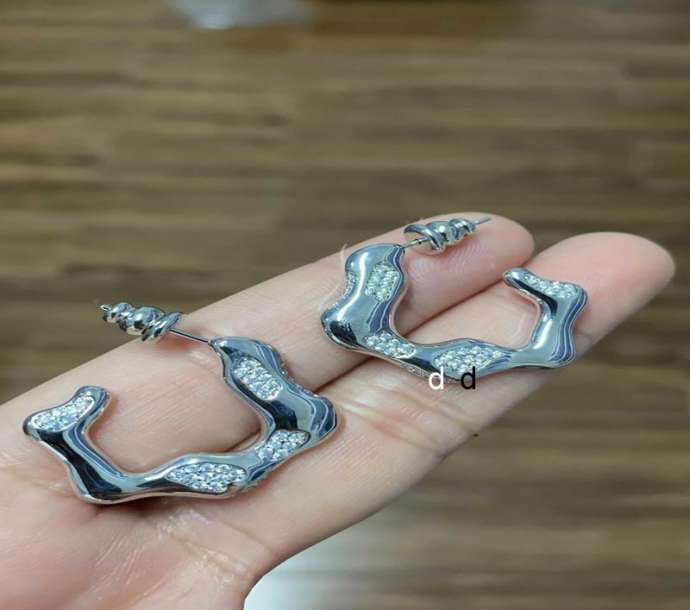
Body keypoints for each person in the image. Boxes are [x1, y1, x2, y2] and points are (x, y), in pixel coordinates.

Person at [0, 214, 674, 610]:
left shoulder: (357, 344)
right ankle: (74, 445)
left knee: (330, 366)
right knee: (295, 380)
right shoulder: (332, 354)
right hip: (296, 418)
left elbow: (411, 354)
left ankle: (74, 444)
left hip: (301, 414)